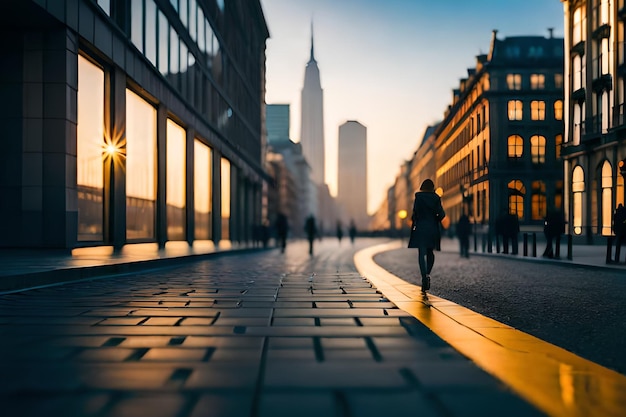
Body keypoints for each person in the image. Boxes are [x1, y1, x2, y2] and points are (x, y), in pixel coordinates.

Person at [409, 179, 446, 293]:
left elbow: (415, 213)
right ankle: (428, 274)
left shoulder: (418, 197)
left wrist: (415, 222)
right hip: (432, 228)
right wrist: (436, 218)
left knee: (422, 253)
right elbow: (441, 214)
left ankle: (424, 276)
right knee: (430, 253)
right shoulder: (436, 198)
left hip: (421, 228)